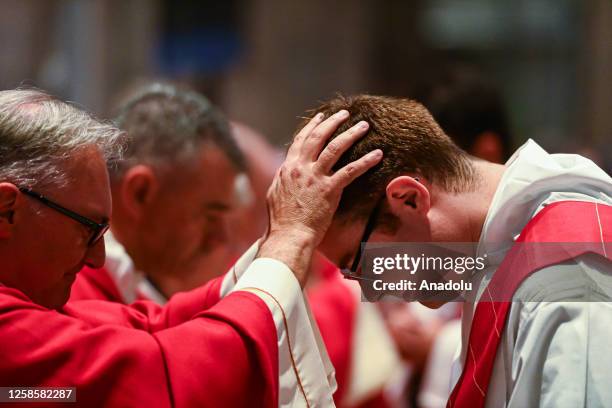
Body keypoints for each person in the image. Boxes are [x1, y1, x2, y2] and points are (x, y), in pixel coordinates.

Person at [0, 87, 382, 406]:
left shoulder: (36, 294)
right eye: (89, 229)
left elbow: (152, 327)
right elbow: (160, 374)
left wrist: (280, 245)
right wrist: (291, 238)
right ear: (7, 211)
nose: (96, 258)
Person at [306, 94, 611, 407]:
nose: (371, 289)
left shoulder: (571, 278)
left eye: (360, 265)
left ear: (409, 198)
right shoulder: (496, 256)